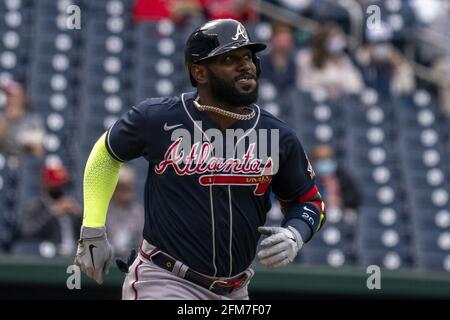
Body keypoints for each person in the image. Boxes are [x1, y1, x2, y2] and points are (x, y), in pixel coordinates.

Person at [74, 19, 326, 300]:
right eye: (229, 58)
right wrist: (93, 228)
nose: (245, 65)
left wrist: (295, 234)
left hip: (236, 290)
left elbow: (309, 202)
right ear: (199, 72)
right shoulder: (159, 118)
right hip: (165, 280)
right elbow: (105, 154)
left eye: (248, 57)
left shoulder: (277, 135)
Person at [18, 163, 82, 256]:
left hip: (74, 257)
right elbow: (26, 232)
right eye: (56, 185)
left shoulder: (70, 205)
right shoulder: (35, 206)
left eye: (62, 184)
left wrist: (80, 214)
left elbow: (87, 236)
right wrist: (52, 213)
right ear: (46, 184)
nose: (60, 188)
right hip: (48, 256)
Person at [296, 22, 364, 99]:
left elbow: (356, 86)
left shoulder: (344, 59)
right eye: (332, 37)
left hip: (340, 104)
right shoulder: (306, 57)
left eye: (338, 36)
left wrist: (331, 83)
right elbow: (305, 85)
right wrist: (335, 83)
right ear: (323, 40)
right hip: (312, 103)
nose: (337, 40)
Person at [311, 144, 360, 224]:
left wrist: (341, 201)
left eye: (327, 158)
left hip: (342, 214)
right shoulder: (309, 180)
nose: (324, 163)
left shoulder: (343, 177)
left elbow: (355, 198)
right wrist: (325, 201)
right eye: (320, 159)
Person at [0, 80, 45, 160]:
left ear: (22, 97)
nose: (10, 99)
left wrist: (28, 140)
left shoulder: (33, 119)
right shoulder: (2, 116)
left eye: (13, 95)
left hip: (22, 162)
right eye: (8, 95)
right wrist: (6, 120)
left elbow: (38, 152)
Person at [106, 165, 144, 257]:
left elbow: (143, 241)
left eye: (129, 189)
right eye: (122, 189)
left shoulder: (138, 212)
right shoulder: (105, 213)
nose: (127, 194)